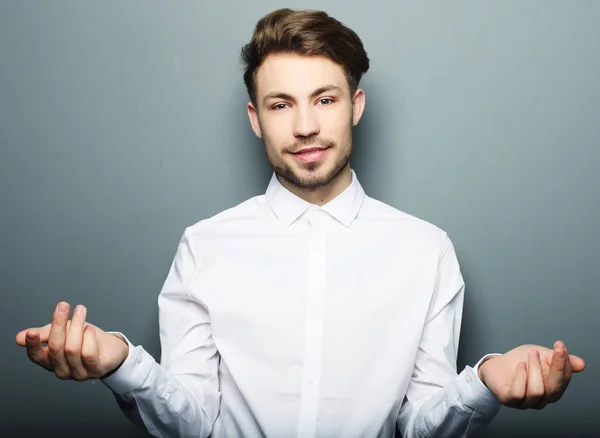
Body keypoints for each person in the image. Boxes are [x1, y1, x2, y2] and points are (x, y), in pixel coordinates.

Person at [16, 8, 585, 438]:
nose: (306, 126)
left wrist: (484, 382)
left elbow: (422, 426)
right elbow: (190, 420)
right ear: (256, 119)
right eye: (282, 104)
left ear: (355, 106)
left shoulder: (425, 250)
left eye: (325, 99)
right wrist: (122, 363)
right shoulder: (205, 246)